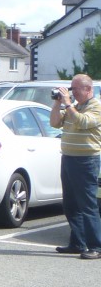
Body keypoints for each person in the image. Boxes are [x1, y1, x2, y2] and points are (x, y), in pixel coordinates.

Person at [49, 74, 101, 259]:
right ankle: (78, 243)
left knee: (87, 205)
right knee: (71, 205)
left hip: (86, 160)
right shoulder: (75, 107)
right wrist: (57, 104)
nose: (72, 92)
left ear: (88, 89)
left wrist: (68, 104)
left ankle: (96, 246)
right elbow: (54, 122)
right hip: (69, 158)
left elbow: (83, 122)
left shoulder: (96, 106)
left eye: (76, 88)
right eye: (71, 88)